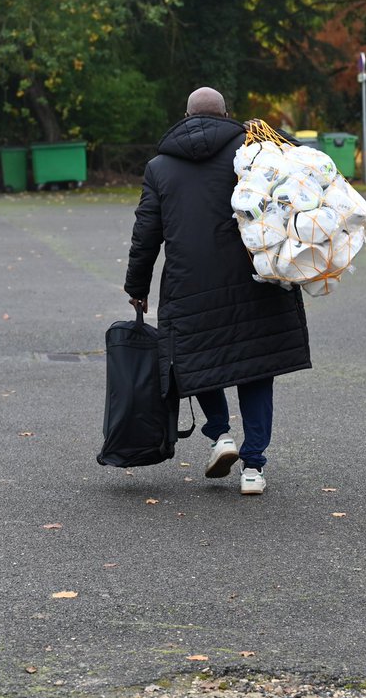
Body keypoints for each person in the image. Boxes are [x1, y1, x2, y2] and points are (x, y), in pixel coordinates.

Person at [124, 87, 311, 495]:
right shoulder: (253, 152)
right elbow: (302, 164)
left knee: (199, 359)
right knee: (257, 369)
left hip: (190, 283)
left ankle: (221, 435)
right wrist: (262, 130)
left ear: (185, 116)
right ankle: (254, 468)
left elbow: (145, 234)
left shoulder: (159, 167)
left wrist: (137, 286)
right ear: (228, 115)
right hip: (256, 279)